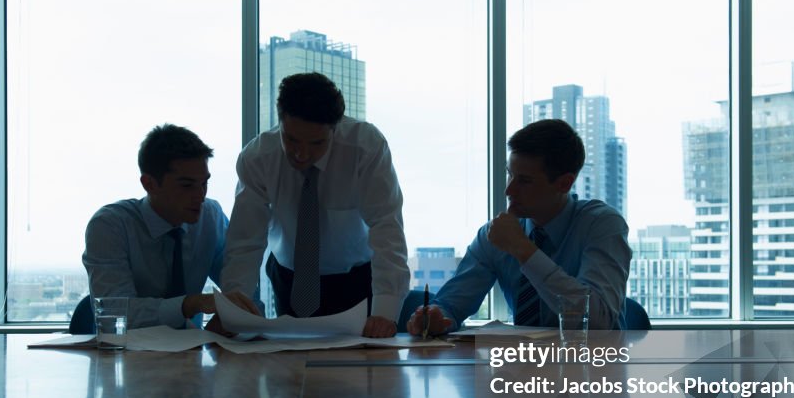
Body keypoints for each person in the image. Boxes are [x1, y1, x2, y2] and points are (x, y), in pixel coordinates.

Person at [222, 72, 409, 338]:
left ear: (335, 127)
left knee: (359, 370)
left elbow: (386, 226)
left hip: (356, 279)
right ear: (280, 121)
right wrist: (235, 312)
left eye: (316, 143)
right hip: (291, 279)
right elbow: (245, 241)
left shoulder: (365, 148)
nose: (302, 154)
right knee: (289, 364)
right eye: (292, 140)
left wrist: (385, 312)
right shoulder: (259, 157)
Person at [407, 119, 630, 336]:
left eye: (524, 180)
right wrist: (435, 317)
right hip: (523, 365)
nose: (509, 190)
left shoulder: (602, 225)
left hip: (593, 365)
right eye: (509, 174)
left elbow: (598, 322)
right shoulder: (495, 234)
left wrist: (525, 251)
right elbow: (451, 305)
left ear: (564, 183)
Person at [83, 123, 258, 330]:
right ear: (149, 184)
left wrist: (234, 318)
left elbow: (241, 287)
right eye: (186, 185)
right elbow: (114, 314)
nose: (200, 195)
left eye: (204, 183)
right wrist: (189, 304)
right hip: (127, 356)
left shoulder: (211, 218)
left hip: (191, 353)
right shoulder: (110, 227)